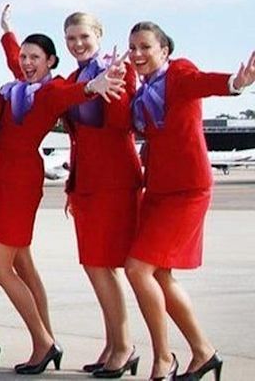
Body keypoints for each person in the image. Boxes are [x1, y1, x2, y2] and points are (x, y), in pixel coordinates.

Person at [0, 5, 122, 374]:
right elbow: (18, 64)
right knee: (23, 267)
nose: (27, 63)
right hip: (2, 180)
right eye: (24, 57)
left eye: (36, 58)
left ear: (51, 60)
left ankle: (44, 343)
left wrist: (93, 86)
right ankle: (46, 337)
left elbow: (72, 94)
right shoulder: (20, 88)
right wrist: (7, 32)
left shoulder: (52, 89)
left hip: (20, 183)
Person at [122, 22, 254, 381]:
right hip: (158, 190)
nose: (136, 54)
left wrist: (236, 83)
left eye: (145, 47)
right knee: (160, 275)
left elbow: (204, 82)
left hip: (186, 189)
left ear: (164, 50)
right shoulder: (143, 90)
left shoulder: (178, 73)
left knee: (137, 269)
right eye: (132, 47)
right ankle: (203, 352)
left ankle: (163, 358)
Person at [58, 12, 142, 377]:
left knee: (104, 265)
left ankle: (124, 345)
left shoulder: (117, 69)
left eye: (84, 37)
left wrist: (117, 82)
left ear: (99, 35)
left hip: (114, 180)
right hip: (87, 183)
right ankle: (113, 343)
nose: (77, 44)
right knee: (96, 266)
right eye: (71, 38)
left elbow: (124, 123)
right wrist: (72, 184)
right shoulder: (76, 78)